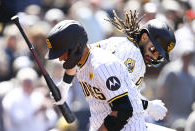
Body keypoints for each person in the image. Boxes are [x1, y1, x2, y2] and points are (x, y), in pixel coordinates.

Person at [45, 10, 176, 131]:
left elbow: (79, 55)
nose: (154, 56)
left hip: (104, 122)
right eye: (154, 50)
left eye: (159, 55)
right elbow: (125, 104)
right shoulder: (134, 57)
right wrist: (149, 106)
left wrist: (65, 85)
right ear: (144, 37)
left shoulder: (117, 41)